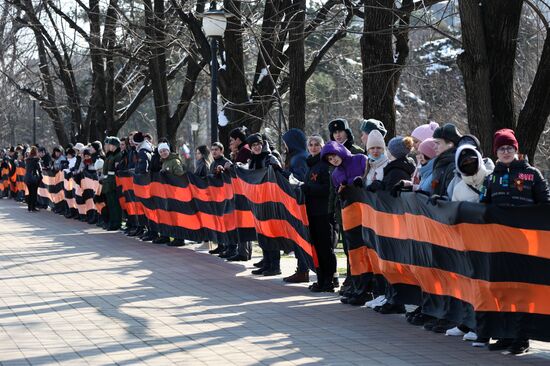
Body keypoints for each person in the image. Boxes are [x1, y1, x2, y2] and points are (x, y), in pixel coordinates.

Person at [480, 129, 550, 355]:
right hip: (499, 245)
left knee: (523, 291)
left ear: (517, 150)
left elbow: (546, 204)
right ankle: (505, 334)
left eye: (510, 148)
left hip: (526, 245)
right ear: (496, 152)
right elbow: (483, 206)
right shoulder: (491, 177)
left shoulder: (533, 174)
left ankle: (522, 337)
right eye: (502, 148)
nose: (506, 152)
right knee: (503, 289)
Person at [302, 135, 337, 292]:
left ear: (322, 147)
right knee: (316, 247)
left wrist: (307, 189)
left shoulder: (325, 165)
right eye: (311, 144)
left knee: (325, 248)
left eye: (317, 144)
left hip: (323, 213)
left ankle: (329, 280)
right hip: (312, 212)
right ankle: (321, 279)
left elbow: (327, 189)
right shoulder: (311, 164)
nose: (314, 147)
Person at [247, 133, 283, 277]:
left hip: (271, 201)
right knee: (262, 234)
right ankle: (266, 263)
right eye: (253, 145)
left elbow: (278, 175)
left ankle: (275, 265)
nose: (256, 147)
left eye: (258, 144)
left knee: (271, 233)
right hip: (258, 201)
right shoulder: (253, 160)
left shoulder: (270, 157)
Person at [282, 128, 310, 283]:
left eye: (286, 142)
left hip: (299, 203)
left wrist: (282, 173)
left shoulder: (298, 158)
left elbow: (298, 179)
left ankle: (302, 269)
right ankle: (301, 269)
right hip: (296, 202)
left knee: (300, 237)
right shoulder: (299, 156)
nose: (285, 146)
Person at [431, 123, 462, 198]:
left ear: (450, 144)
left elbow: (452, 197)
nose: (434, 147)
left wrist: (441, 199)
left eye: (437, 143)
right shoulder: (442, 162)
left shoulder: (454, 166)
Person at [102, 137, 123, 231]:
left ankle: (116, 222)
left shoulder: (118, 156)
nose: (108, 146)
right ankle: (112, 221)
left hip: (113, 183)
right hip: (108, 182)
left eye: (110, 144)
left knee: (115, 204)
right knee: (111, 204)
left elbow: (115, 170)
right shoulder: (110, 156)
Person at [23, 146, 42, 212]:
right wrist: (40, 178)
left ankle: (29, 207)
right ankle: (33, 207)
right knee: (34, 193)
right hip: (34, 178)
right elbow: (39, 170)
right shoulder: (37, 160)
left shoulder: (27, 160)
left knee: (30, 193)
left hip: (27, 178)